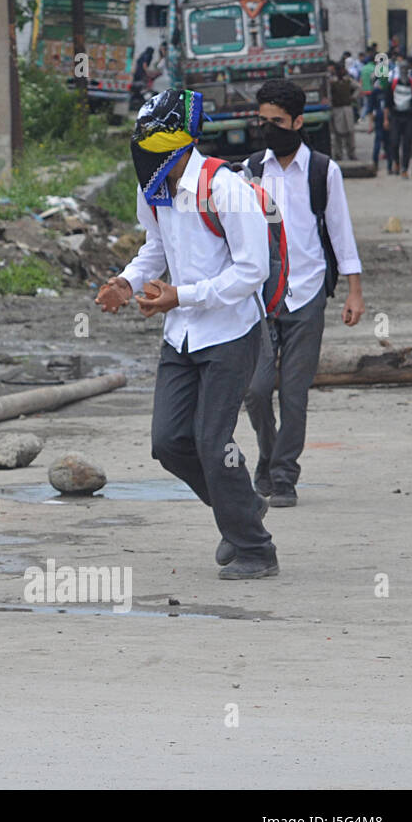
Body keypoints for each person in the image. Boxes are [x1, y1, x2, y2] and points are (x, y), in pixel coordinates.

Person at [95, 89, 277, 579]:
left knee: (213, 444)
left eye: (152, 146)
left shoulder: (225, 188)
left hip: (229, 333)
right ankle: (241, 508)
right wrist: (125, 282)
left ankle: (256, 549)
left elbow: (252, 272)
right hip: (181, 336)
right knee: (169, 442)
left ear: (178, 145)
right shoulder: (153, 186)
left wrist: (183, 295)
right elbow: (156, 247)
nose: (143, 156)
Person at [242, 79, 365, 509]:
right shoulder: (251, 169)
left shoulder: (322, 171)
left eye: (276, 122)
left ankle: (283, 474)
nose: (267, 129)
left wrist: (354, 291)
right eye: (262, 121)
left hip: (308, 294)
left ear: (297, 122)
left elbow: (340, 233)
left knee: (294, 393)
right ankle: (267, 454)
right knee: (256, 390)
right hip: (259, 296)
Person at [383, 56, 412, 177]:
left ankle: (405, 168)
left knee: (407, 143)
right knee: (394, 142)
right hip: (395, 116)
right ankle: (396, 163)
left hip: (409, 117)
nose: (404, 71)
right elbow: (387, 103)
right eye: (402, 69)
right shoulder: (393, 84)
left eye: (406, 69)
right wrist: (385, 119)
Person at [329, 62, 359, 161]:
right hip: (337, 109)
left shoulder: (348, 80)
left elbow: (358, 87)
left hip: (347, 108)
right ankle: (338, 154)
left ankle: (351, 153)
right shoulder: (332, 82)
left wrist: (353, 97)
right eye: (340, 70)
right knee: (338, 133)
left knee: (350, 133)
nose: (342, 72)